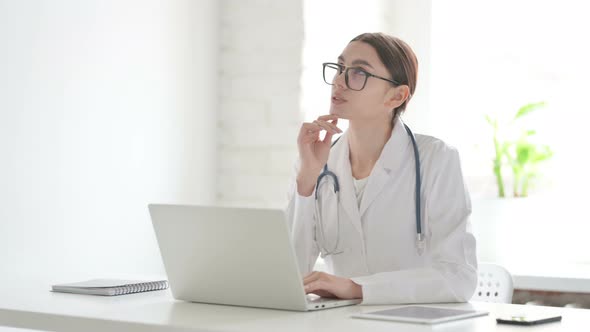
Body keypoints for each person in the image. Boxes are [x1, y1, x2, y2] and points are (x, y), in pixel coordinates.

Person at [285, 32, 477, 305]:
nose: (339, 81)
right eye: (340, 68)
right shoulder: (317, 160)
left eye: (358, 72)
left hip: (411, 322)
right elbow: (292, 276)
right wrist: (306, 181)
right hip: (341, 323)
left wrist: (357, 287)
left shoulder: (436, 159)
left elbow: (459, 277)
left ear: (396, 96)